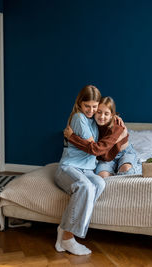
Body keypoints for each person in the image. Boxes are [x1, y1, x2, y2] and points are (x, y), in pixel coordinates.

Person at [54, 85, 104, 256]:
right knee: (85, 187)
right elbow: (93, 147)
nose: (91, 110)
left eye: (94, 106)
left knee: (99, 183)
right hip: (69, 167)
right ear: (80, 104)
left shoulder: (95, 121)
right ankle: (68, 238)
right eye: (87, 106)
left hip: (87, 170)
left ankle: (63, 228)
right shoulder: (79, 117)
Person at [64, 96, 139, 178]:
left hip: (123, 153)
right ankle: (114, 170)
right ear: (95, 112)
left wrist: (72, 137)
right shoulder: (91, 123)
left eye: (106, 114)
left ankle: (137, 166)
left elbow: (97, 149)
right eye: (99, 112)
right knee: (102, 176)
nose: (102, 117)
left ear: (112, 115)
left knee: (126, 170)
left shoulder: (117, 126)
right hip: (105, 157)